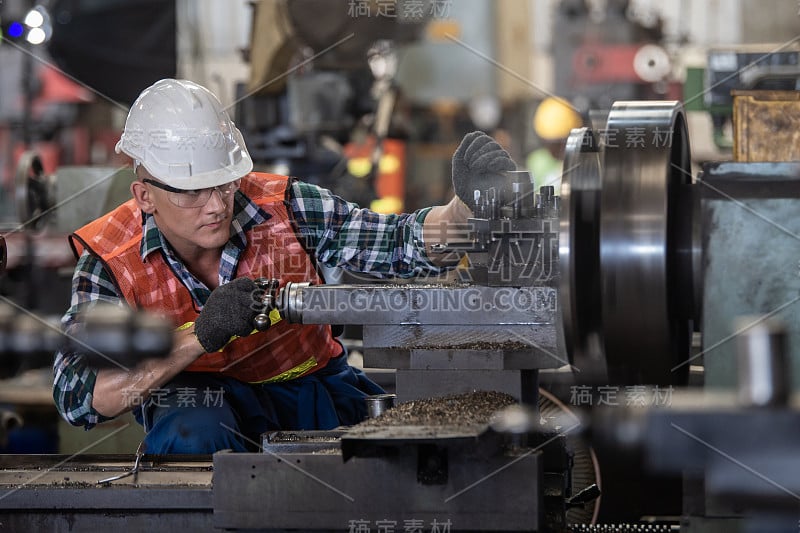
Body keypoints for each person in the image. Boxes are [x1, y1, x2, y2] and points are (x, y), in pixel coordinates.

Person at [52, 79, 515, 454]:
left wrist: (462, 211)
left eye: (224, 183)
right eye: (192, 191)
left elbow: (398, 244)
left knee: (391, 459)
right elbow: (79, 395)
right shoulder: (110, 261)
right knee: (193, 433)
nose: (216, 205)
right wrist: (199, 336)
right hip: (201, 402)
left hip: (311, 385)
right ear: (145, 195)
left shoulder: (288, 205)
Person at [526, 96, 583, 193]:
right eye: (553, 145)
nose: (560, 149)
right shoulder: (537, 162)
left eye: (563, 143)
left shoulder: (582, 163)